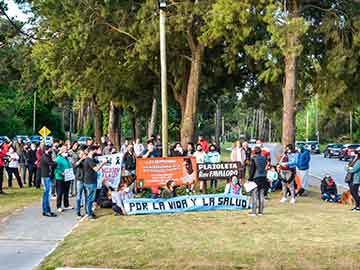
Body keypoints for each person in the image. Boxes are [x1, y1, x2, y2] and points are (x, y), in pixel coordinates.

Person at [83, 145, 107, 219]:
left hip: (90, 181)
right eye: (96, 150)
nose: (96, 152)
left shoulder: (91, 159)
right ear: (92, 151)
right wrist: (103, 163)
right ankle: (89, 214)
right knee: (91, 199)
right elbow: (96, 169)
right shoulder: (89, 160)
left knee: (90, 198)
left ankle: (89, 212)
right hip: (90, 182)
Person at [248, 146, 268, 216]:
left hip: (256, 178)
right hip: (264, 177)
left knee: (254, 195)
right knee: (261, 195)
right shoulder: (264, 158)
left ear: (254, 152)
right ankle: (261, 212)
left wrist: (250, 179)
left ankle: (254, 212)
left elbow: (252, 170)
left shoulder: (254, 159)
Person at [54, 146, 73, 212]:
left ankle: (66, 205)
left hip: (67, 177)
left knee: (66, 192)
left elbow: (69, 166)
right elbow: (56, 169)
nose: (66, 151)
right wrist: (61, 173)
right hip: (60, 178)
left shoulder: (66, 158)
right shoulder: (58, 159)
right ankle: (58, 206)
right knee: (59, 192)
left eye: (67, 150)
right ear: (61, 151)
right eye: (65, 150)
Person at [40, 146, 57, 217]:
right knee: (47, 194)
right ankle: (46, 211)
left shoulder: (47, 156)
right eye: (50, 150)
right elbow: (52, 164)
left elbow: (52, 163)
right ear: (46, 150)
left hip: (47, 176)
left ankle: (46, 210)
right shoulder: (45, 156)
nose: (51, 151)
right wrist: (55, 163)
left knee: (46, 194)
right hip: (46, 176)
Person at [74, 147, 87, 217]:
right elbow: (76, 165)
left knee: (86, 196)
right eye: (81, 154)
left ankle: (87, 210)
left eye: (83, 154)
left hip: (86, 180)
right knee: (79, 196)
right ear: (79, 154)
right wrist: (81, 159)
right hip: (80, 180)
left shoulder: (86, 160)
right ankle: (78, 212)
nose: (83, 155)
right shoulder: (78, 159)